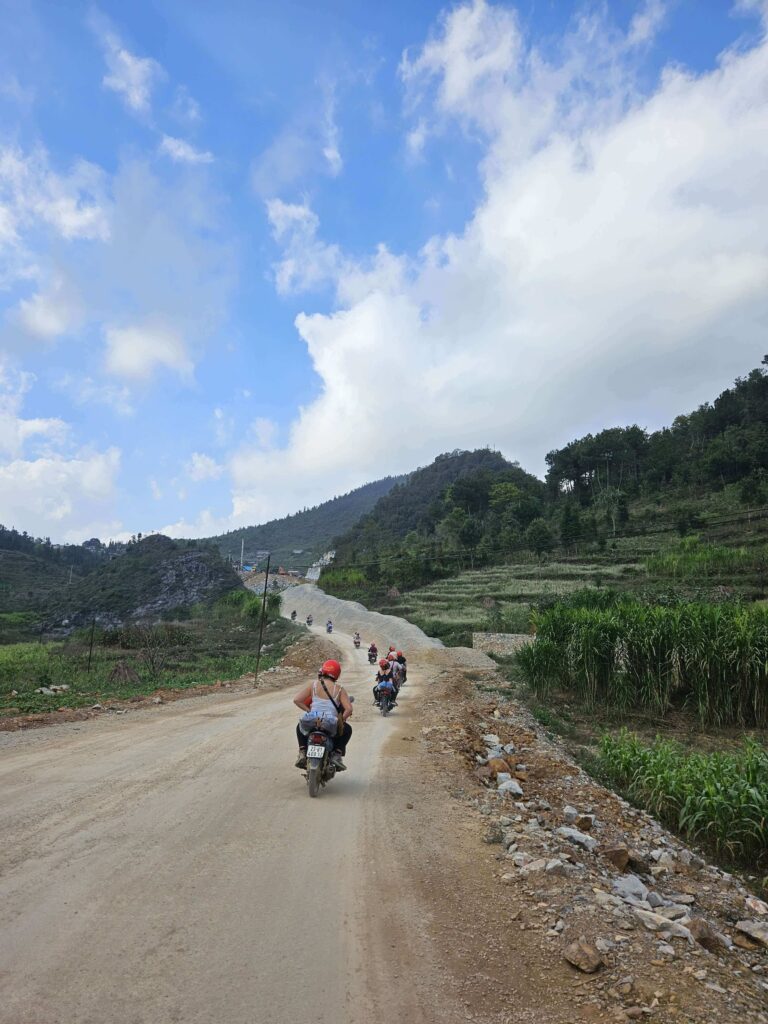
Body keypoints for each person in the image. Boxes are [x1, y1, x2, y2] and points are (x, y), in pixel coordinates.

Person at [293, 660, 353, 771]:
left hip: (313, 718)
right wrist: (341, 720)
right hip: (330, 721)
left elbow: (297, 700)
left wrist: (309, 711)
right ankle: (336, 755)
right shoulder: (339, 689)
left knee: (299, 726)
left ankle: (302, 752)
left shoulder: (314, 685)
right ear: (337, 673)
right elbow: (349, 709)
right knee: (348, 729)